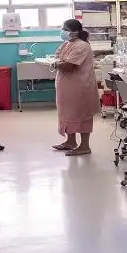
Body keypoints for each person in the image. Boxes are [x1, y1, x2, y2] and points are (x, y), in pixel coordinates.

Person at [50, 19, 101, 156]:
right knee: (67, 114)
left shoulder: (82, 46)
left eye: (65, 29)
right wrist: (56, 62)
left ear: (75, 32)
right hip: (66, 87)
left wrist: (56, 63)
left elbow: (68, 66)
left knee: (82, 114)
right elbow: (58, 57)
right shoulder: (67, 44)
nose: (62, 31)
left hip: (80, 87)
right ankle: (70, 141)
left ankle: (85, 146)